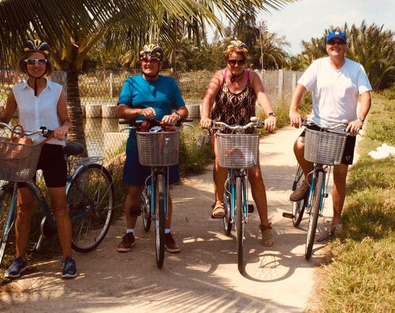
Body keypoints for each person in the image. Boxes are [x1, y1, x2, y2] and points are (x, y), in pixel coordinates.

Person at [0, 40, 76, 279]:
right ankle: (20, 258)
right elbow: (6, 117)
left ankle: (67, 257)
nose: (36, 65)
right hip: (25, 151)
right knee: (24, 207)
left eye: (40, 61)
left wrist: (63, 129)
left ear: (47, 64)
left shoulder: (57, 91)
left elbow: (66, 119)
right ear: (25, 65)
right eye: (31, 61)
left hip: (51, 149)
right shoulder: (16, 91)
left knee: (60, 207)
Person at [288, 30, 372, 237]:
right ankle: (308, 181)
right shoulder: (318, 65)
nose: (336, 46)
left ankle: (336, 220)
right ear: (327, 47)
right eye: (332, 43)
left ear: (345, 46)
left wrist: (359, 119)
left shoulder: (356, 69)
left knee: (340, 175)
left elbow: (365, 95)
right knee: (299, 146)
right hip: (318, 124)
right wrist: (293, 109)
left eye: (340, 43)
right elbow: (301, 87)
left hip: (344, 129)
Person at [200, 40, 277, 247]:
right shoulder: (219, 77)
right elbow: (208, 98)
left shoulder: (252, 77)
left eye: (240, 61)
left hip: (246, 131)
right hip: (222, 129)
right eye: (232, 61)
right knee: (220, 161)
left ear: (245, 61)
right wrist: (206, 116)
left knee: (256, 175)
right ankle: (218, 202)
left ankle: (265, 226)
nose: (236, 65)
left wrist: (270, 114)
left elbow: (261, 95)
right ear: (227, 60)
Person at [116, 44, 189, 253]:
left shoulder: (169, 83)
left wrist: (176, 115)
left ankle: (166, 233)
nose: (148, 63)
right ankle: (129, 232)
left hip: (164, 139)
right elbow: (120, 110)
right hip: (139, 138)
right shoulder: (131, 83)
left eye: (153, 60)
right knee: (134, 188)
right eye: (145, 60)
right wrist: (138, 111)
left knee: (164, 188)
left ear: (160, 64)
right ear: (141, 62)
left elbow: (182, 108)